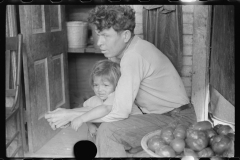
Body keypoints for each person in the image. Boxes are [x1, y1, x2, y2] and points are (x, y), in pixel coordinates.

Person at [45, 5, 197, 157]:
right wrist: (68, 113)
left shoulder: (133, 57)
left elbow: (119, 112)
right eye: (99, 35)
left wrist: (73, 116)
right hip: (163, 115)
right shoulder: (133, 49)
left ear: (125, 36)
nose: (99, 43)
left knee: (109, 131)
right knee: (101, 114)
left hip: (177, 119)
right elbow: (110, 106)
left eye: (106, 36)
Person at [70, 59, 142, 140]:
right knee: (93, 131)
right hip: (116, 128)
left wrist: (81, 118)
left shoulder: (117, 96)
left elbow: (105, 108)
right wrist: (90, 125)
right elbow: (86, 111)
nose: (100, 89)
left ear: (116, 85)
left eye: (105, 85)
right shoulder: (95, 99)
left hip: (135, 126)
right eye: (96, 85)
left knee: (105, 126)